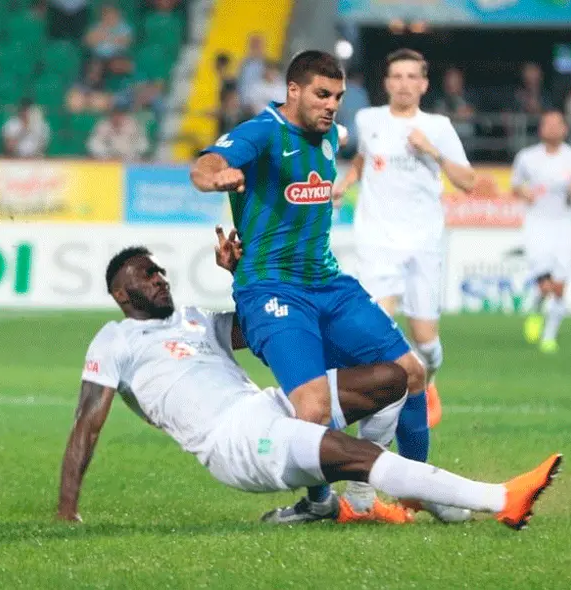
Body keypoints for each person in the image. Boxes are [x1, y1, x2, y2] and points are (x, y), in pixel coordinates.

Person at [54, 244, 562, 528]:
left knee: (395, 376)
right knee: (351, 452)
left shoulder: (192, 319)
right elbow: (86, 426)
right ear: (123, 293)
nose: (161, 277)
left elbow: (258, 327)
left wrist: (242, 274)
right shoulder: (115, 339)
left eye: (160, 270)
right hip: (235, 443)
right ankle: (499, 498)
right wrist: (66, 510)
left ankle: (353, 499)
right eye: (148, 275)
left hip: (264, 406)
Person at [190, 50, 447, 524]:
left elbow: (350, 139)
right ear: (293, 91)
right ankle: (318, 502)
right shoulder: (264, 131)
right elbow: (206, 163)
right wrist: (217, 177)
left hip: (328, 283)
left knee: (412, 373)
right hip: (272, 291)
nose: (332, 105)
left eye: (338, 97)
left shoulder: (332, 133)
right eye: (322, 95)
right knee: (309, 408)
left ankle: (420, 484)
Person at [335, 48, 476, 435]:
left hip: (424, 242)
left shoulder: (439, 126)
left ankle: (427, 382)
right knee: (378, 329)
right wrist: (346, 181)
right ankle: (383, 406)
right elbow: (364, 157)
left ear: (424, 84)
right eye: (397, 76)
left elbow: (467, 182)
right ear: (386, 82)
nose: (404, 84)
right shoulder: (368, 119)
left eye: (412, 77)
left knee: (425, 341)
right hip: (377, 239)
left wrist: (431, 150)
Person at [511, 110, 571, 354]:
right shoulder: (527, 157)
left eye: (558, 124)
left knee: (559, 285)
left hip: (564, 225)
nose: (553, 129)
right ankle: (537, 308)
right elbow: (516, 185)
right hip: (537, 224)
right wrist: (525, 193)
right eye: (548, 124)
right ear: (541, 129)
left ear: (565, 129)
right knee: (544, 285)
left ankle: (549, 336)